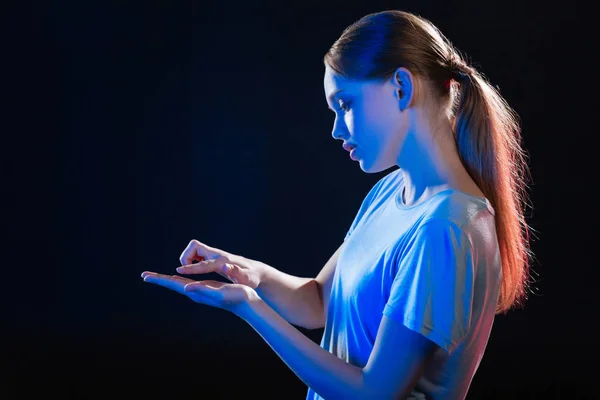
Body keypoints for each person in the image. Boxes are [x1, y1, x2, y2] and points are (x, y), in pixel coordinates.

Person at [141, 9, 534, 399]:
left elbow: (376, 394)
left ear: (401, 86)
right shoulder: (389, 192)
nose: (336, 129)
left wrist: (249, 308)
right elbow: (319, 302)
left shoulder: (445, 228)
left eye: (345, 104)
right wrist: (246, 274)